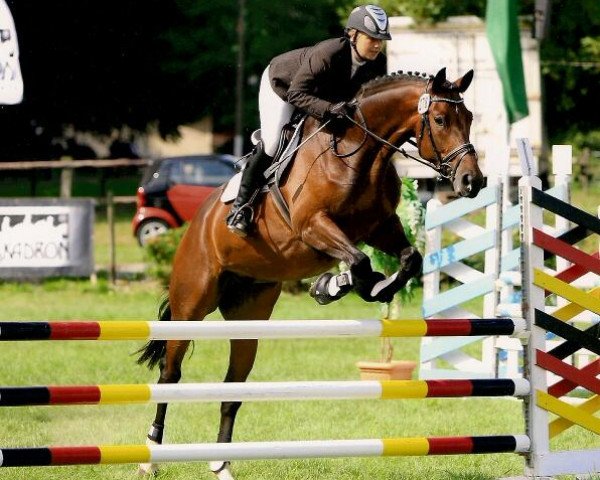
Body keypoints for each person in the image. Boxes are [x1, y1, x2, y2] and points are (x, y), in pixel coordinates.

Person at [226, 4, 391, 237]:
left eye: (380, 40)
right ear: (353, 34)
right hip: (283, 87)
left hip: (321, 96)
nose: (376, 44)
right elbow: (296, 94)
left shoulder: (378, 63)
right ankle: (240, 208)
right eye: (371, 38)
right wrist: (330, 108)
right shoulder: (329, 53)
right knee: (273, 142)